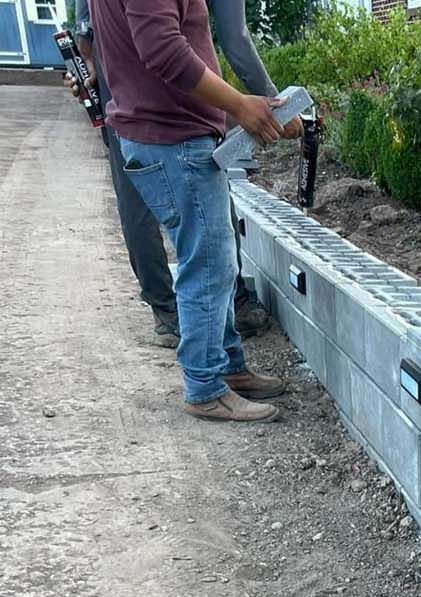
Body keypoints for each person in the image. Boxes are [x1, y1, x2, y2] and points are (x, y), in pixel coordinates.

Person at [85, 0, 290, 422]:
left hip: (169, 132)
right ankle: (205, 387)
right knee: (209, 264)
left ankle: (227, 367)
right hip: (172, 138)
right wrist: (239, 105)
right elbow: (162, 50)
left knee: (216, 260)